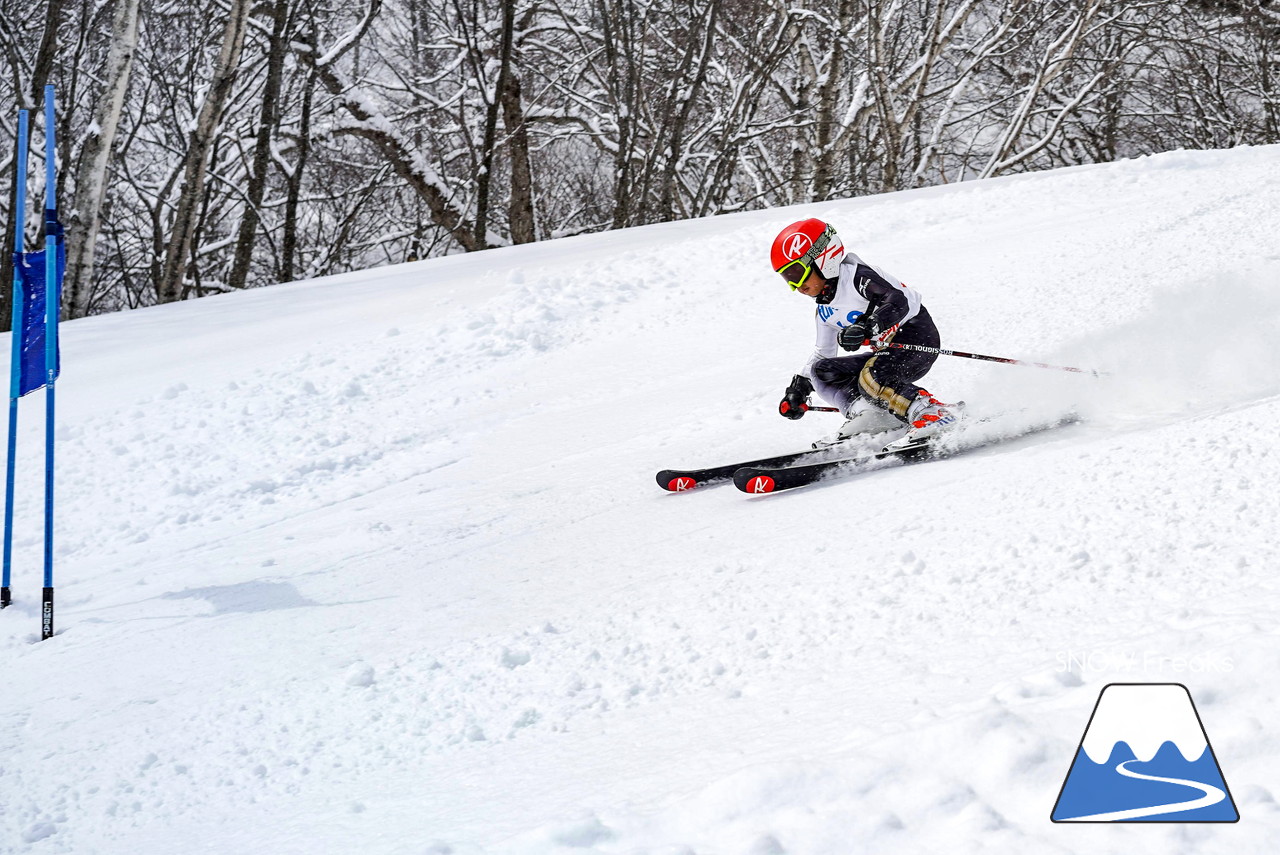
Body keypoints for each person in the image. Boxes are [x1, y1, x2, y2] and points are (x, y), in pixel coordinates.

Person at [770, 217, 958, 450]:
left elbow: (899, 300)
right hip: (886, 354)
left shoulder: (858, 277)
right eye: (788, 279)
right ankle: (870, 416)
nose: (797, 286)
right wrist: (799, 387)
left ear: (822, 259)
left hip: (916, 338)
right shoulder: (824, 310)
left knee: (872, 375)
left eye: (797, 273)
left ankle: (933, 413)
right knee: (824, 371)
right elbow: (822, 354)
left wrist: (871, 325)